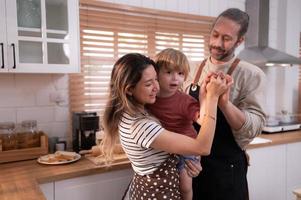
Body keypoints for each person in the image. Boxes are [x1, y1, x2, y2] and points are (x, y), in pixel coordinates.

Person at [101, 53, 230, 199]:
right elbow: (203, 147)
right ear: (129, 89)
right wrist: (212, 97)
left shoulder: (132, 111)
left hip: (144, 189)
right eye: (149, 84)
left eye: (156, 79)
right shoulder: (140, 126)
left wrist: (187, 161)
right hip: (157, 194)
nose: (156, 87)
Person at [189, 8, 266, 200]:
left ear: (239, 41)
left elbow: (254, 127)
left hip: (226, 171)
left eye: (226, 38)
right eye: (215, 35)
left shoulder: (251, 74)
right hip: (191, 166)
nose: (217, 43)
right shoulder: (190, 69)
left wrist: (224, 103)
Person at [146, 48, 205, 200]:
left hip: (187, 147)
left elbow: (202, 119)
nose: (175, 79)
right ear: (156, 74)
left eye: (180, 73)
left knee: (185, 186)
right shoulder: (149, 98)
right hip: (166, 149)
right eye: (169, 72)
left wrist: (206, 99)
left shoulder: (185, 101)